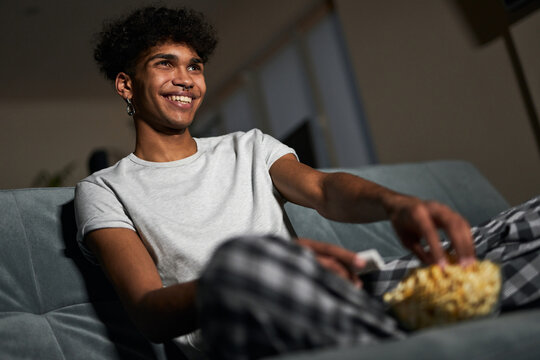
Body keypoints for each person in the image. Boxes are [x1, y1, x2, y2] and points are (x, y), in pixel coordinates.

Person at [75, 6, 540, 360]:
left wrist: (396, 203)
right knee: (249, 260)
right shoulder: (103, 189)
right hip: (249, 326)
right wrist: (251, 275)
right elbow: (148, 310)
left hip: (340, 292)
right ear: (126, 84)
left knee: (529, 222)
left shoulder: (248, 146)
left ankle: (407, 322)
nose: (186, 79)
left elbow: (323, 190)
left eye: (194, 66)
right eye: (165, 64)